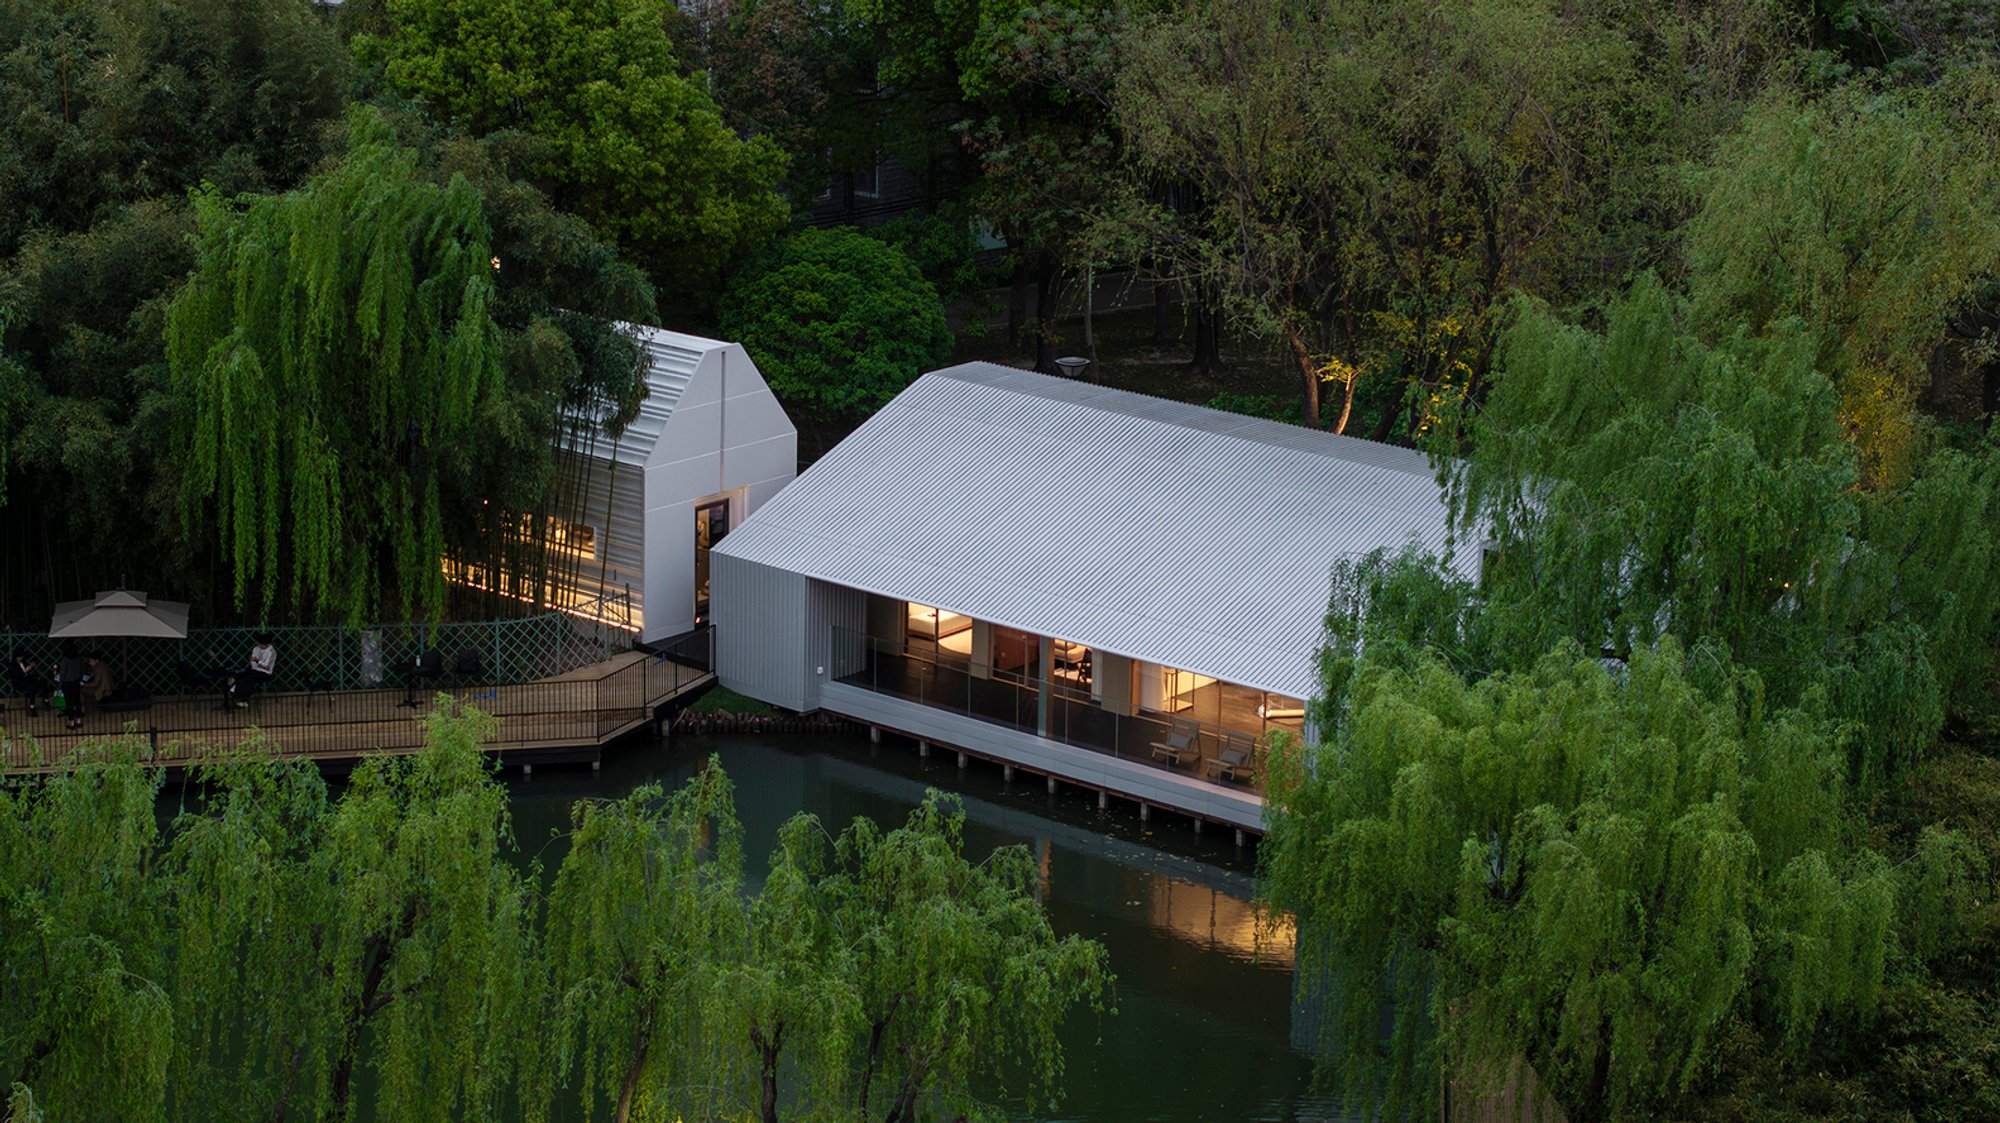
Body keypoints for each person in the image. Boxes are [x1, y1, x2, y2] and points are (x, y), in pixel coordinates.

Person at [230, 633, 278, 708]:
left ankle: (243, 699)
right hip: (255, 670)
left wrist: (257, 661)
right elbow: (252, 661)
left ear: (267, 644)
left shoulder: (271, 652)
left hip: (265, 673)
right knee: (240, 674)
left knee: (249, 679)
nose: (260, 646)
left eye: (262, 644)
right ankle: (234, 692)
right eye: (260, 644)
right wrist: (252, 662)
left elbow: (267, 667)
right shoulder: (256, 649)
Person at [56, 640, 87, 731]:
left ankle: (71, 721)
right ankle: (79, 720)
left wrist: (60, 684)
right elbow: (82, 669)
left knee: (69, 703)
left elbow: (63, 673)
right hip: (76, 682)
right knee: (77, 701)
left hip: (67, 683)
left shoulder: (65, 659)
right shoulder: (78, 658)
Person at [8, 650, 49, 716]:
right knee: (32, 687)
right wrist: (25, 671)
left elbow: (29, 670)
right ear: (16, 657)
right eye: (20, 657)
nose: (21, 658)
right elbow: (16, 676)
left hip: (27, 679)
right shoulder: (12, 664)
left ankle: (45, 699)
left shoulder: (23, 662)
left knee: (42, 682)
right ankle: (31, 707)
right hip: (18, 682)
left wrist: (32, 666)